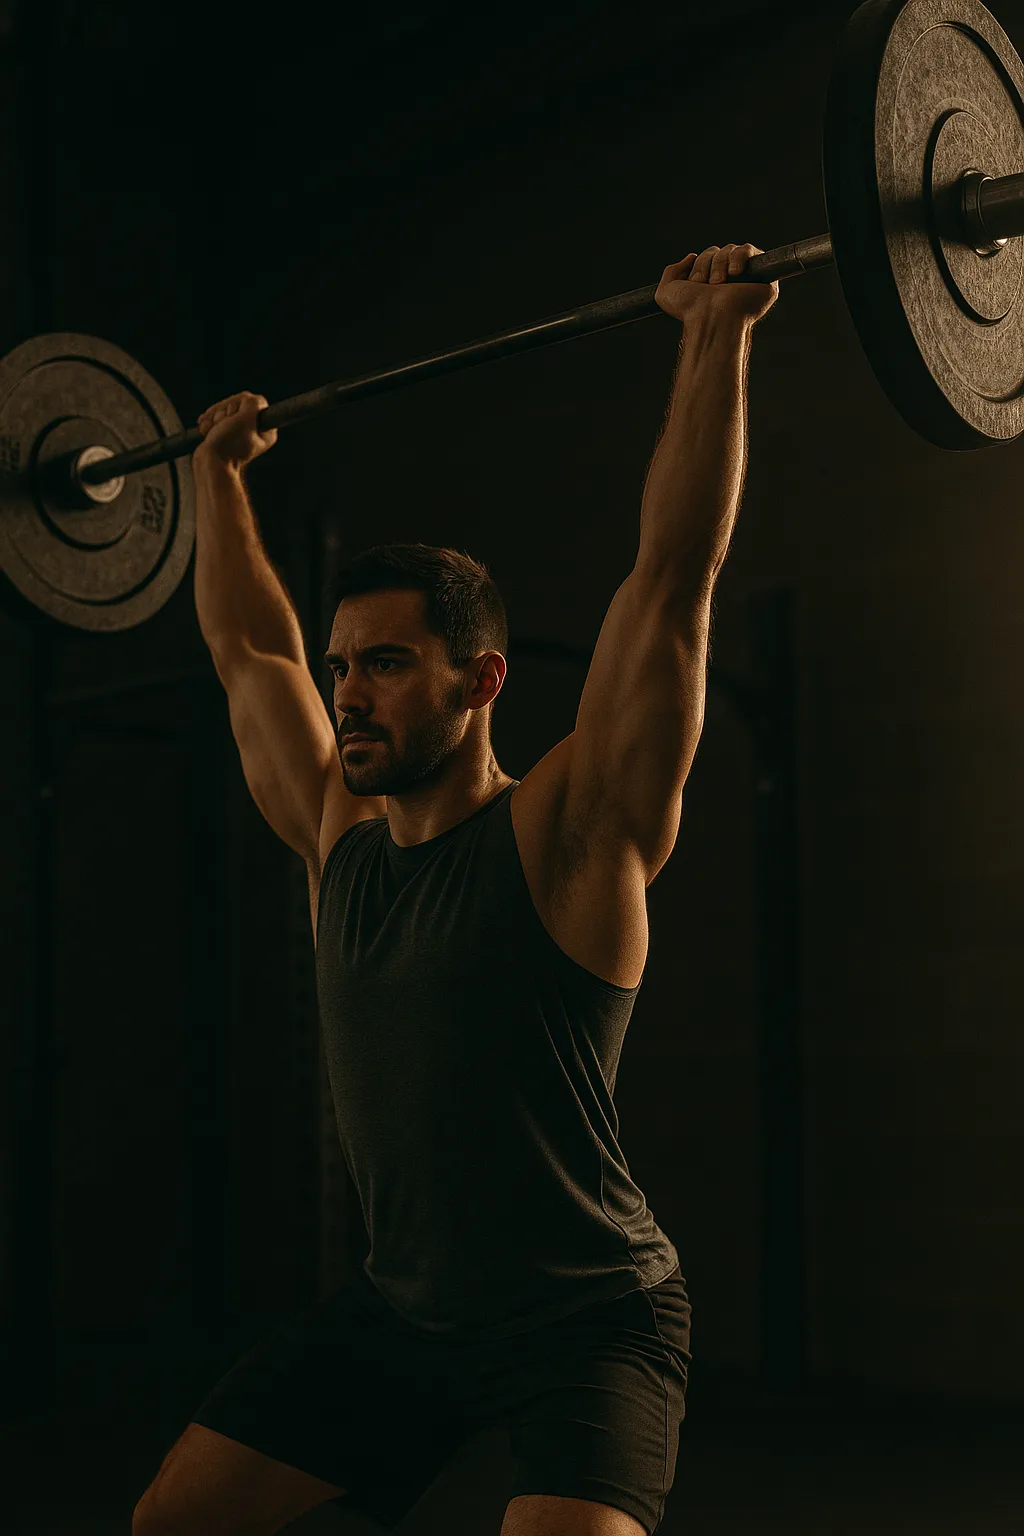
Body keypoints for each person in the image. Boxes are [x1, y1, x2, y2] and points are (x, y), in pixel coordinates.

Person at [132, 243, 778, 1536]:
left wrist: (714, 334)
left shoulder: (570, 831)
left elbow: (672, 583)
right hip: (404, 1309)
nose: (347, 694)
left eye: (384, 664)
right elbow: (245, 645)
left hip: (587, 1319)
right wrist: (213, 482)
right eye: (343, 668)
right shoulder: (337, 836)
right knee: (175, 1520)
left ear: (478, 682)